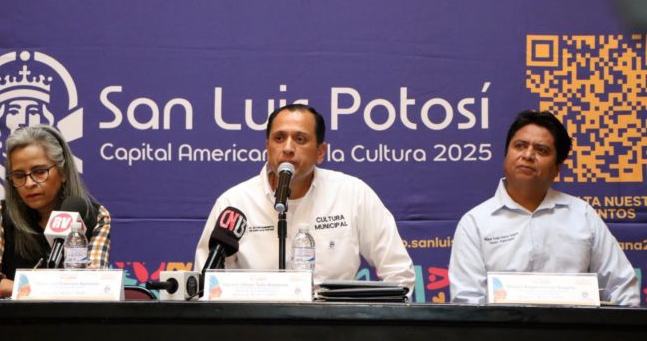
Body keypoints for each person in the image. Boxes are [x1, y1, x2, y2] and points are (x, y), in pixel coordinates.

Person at [194, 104, 415, 291]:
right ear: (267, 147)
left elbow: (399, 274)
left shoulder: (353, 194)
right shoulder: (234, 203)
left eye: (300, 139)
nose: (288, 148)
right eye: (279, 138)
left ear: (320, 152)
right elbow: (207, 283)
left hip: (335, 323)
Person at [448, 110, 639, 306]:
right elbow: (467, 304)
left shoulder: (582, 215)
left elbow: (623, 287)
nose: (528, 155)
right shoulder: (475, 223)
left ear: (557, 167)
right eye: (520, 146)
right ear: (506, 155)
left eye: (541, 150)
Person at [0, 124, 111, 297]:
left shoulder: (95, 216)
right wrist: (38, 289)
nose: (29, 183)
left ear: (63, 172)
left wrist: (31, 288)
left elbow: (94, 283)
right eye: (19, 176)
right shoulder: (1, 214)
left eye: (39, 172)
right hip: (13, 314)